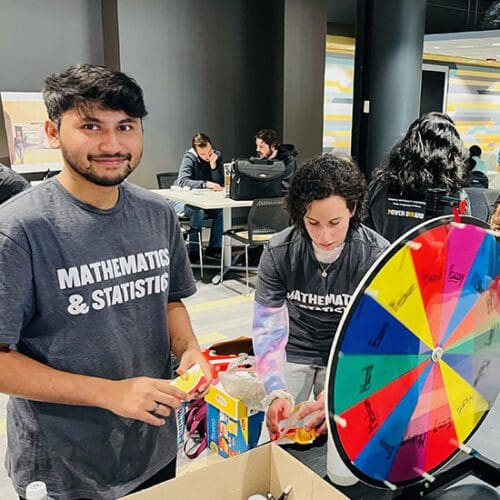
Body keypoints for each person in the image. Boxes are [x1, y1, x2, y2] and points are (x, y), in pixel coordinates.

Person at [0, 64, 212, 500]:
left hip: (152, 447)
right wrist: (111, 394)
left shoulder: (158, 214)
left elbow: (169, 299)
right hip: (65, 468)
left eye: (126, 126)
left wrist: (188, 348)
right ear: (53, 131)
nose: (112, 144)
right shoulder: (19, 229)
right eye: (91, 126)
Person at [252, 154, 389, 440]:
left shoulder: (377, 256)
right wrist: (275, 388)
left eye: (334, 222)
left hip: (348, 353)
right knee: (280, 433)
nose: (324, 235)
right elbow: (268, 331)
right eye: (313, 222)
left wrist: (343, 387)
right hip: (295, 348)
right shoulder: (279, 252)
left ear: (352, 209)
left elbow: (378, 337)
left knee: (345, 439)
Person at [366, 112, 469, 243]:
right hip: (432, 263)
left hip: (385, 261)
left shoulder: (379, 186)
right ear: (452, 154)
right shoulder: (455, 198)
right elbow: (462, 244)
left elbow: (365, 231)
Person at [174, 133, 224, 260]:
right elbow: (182, 181)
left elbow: (219, 182)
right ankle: (194, 251)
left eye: (209, 151)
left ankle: (214, 249)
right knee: (198, 211)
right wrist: (205, 184)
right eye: (203, 154)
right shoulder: (190, 158)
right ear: (196, 152)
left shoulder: (215, 156)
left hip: (201, 199)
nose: (207, 156)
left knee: (220, 211)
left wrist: (213, 166)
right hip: (180, 201)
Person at [255, 129, 298, 194]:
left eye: (261, 147)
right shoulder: (260, 157)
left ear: (273, 146)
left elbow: (285, 186)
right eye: (257, 146)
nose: (257, 149)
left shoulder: (288, 159)